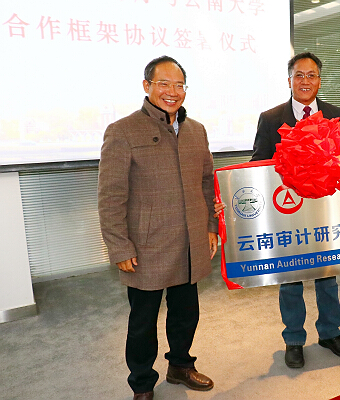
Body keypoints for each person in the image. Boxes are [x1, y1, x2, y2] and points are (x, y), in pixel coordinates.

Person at [98, 56, 218, 400]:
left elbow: (207, 182)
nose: (172, 91)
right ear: (147, 86)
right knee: (143, 322)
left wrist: (210, 226)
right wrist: (120, 246)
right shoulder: (122, 131)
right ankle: (142, 384)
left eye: (179, 85)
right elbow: (111, 196)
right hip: (146, 246)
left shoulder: (196, 130)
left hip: (190, 241)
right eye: (163, 83)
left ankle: (180, 365)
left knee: (186, 313)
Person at [251, 52, 340, 368]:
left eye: (311, 75)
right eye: (299, 75)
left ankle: (330, 333)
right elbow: (258, 164)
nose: (305, 81)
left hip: (327, 210)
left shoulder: (335, 114)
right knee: (291, 278)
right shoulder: (271, 118)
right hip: (288, 211)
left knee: (328, 276)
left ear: (319, 81)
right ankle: (294, 340)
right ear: (289, 80)